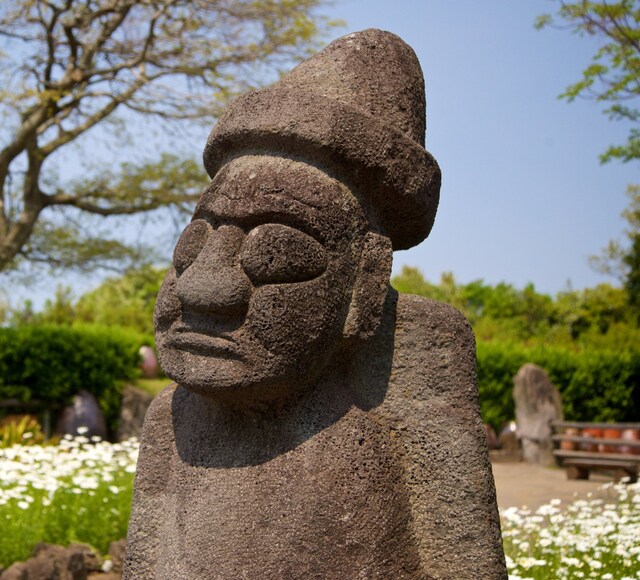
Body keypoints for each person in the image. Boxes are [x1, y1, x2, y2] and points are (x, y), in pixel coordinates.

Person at [124, 29, 506, 579]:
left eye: (276, 254)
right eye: (195, 242)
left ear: (364, 285)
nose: (202, 288)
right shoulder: (174, 420)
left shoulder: (395, 424)